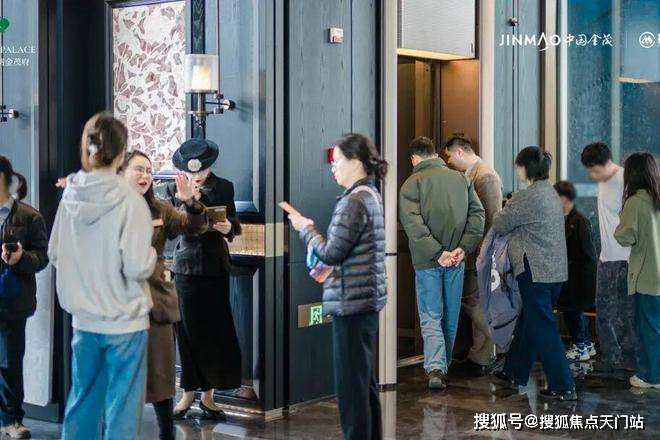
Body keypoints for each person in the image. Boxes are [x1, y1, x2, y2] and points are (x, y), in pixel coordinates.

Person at [48, 112, 157, 439]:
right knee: (121, 410)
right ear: (122, 153)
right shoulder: (131, 202)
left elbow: (55, 253)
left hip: (83, 321)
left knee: (82, 404)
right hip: (125, 322)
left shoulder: (70, 196)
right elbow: (137, 266)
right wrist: (152, 255)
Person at [286, 133, 387, 440]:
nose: (333, 167)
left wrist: (306, 229)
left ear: (355, 162)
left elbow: (332, 253)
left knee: (351, 389)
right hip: (365, 300)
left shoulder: (354, 202)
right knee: (363, 383)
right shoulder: (370, 194)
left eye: (337, 161)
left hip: (351, 302)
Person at [120, 151, 207, 439]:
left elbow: (193, 227)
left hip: (155, 300)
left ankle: (166, 433)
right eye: (138, 170)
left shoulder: (160, 208)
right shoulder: (108, 208)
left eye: (149, 170)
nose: (145, 176)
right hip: (118, 301)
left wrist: (191, 203)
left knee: (160, 373)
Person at [399, 136, 485, 390]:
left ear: (414, 158)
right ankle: (442, 365)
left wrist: (437, 253)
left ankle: (436, 368)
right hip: (456, 259)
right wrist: (463, 248)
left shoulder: (411, 184)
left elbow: (413, 225)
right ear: (435, 154)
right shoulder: (461, 179)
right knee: (450, 313)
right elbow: (478, 215)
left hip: (428, 261)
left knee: (431, 314)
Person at [491, 146, 576, 401]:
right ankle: (513, 371)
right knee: (530, 320)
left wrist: (506, 205)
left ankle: (563, 384)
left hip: (535, 271)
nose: (517, 170)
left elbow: (500, 223)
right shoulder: (550, 193)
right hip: (554, 271)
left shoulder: (526, 196)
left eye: (518, 166)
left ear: (525, 168)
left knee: (543, 327)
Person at [165, 138, 242, 419]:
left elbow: (234, 225)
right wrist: (187, 201)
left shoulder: (224, 187)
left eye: (202, 171)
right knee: (186, 332)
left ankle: (209, 396)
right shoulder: (172, 189)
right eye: (191, 171)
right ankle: (187, 393)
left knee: (214, 331)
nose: (196, 176)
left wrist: (227, 227)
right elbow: (172, 230)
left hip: (216, 265)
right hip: (185, 268)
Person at [443, 135, 503, 375]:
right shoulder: (472, 174)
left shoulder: (485, 177)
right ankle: (481, 356)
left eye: (449, 156)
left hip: (481, 254)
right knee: (477, 302)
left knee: (473, 302)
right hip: (475, 253)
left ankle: (502, 344)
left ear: (459, 152)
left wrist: (480, 254)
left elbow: (491, 220)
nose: (448, 162)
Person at [0, 157, 48, 439]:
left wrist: (20, 258)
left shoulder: (30, 217)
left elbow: (42, 257)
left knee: (9, 362)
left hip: (12, 301)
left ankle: (11, 419)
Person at [581, 142, 636, 371]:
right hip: (606, 257)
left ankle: (629, 361)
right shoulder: (602, 181)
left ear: (605, 164)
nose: (593, 176)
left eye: (594, 170)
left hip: (625, 257)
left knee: (624, 313)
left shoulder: (625, 181)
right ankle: (611, 359)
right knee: (603, 311)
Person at [614, 153, 660, 389]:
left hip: (647, 276)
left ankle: (652, 376)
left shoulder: (635, 202)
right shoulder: (656, 198)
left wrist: (622, 217)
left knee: (648, 328)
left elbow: (625, 236)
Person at [553, 181, 597, 362]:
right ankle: (585, 343)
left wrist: (585, 281)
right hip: (572, 276)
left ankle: (580, 347)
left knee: (572, 312)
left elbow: (588, 254)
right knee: (573, 311)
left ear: (564, 198)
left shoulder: (578, 221)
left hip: (576, 278)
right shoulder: (570, 219)